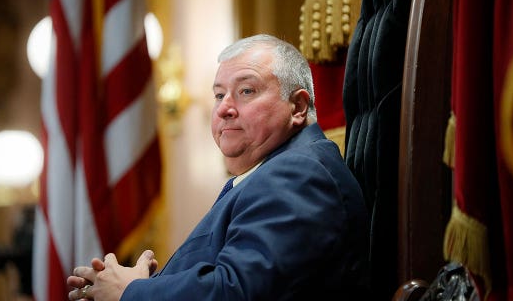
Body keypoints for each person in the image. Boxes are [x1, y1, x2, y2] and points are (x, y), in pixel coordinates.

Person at [67, 34, 369, 300]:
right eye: (219, 94)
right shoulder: (272, 173)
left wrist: (131, 292)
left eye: (246, 91)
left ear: (298, 107)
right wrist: (138, 284)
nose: (225, 108)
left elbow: (238, 291)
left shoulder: (298, 174)